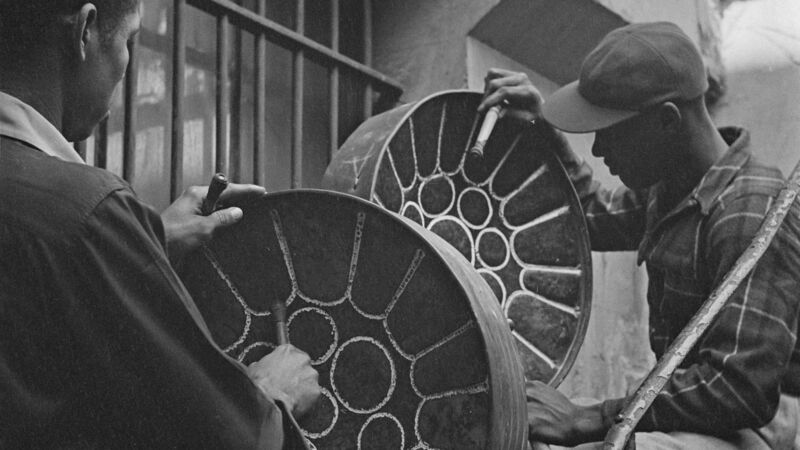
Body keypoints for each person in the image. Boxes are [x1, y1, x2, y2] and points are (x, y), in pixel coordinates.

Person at [0, 1, 320, 448]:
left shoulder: (79, 221)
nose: (127, 65)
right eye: (130, 40)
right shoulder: (90, 215)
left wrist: (142, 244)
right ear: (85, 31)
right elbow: (215, 437)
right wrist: (275, 396)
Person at [480, 22, 800, 449]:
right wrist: (542, 130)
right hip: (693, 416)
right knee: (525, 432)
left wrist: (587, 418)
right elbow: (589, 217)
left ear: (667, 121)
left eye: (610, 131)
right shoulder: (673, 185)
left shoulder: (751, 210)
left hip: (763, 431)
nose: (597, 150)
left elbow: (740, 391)